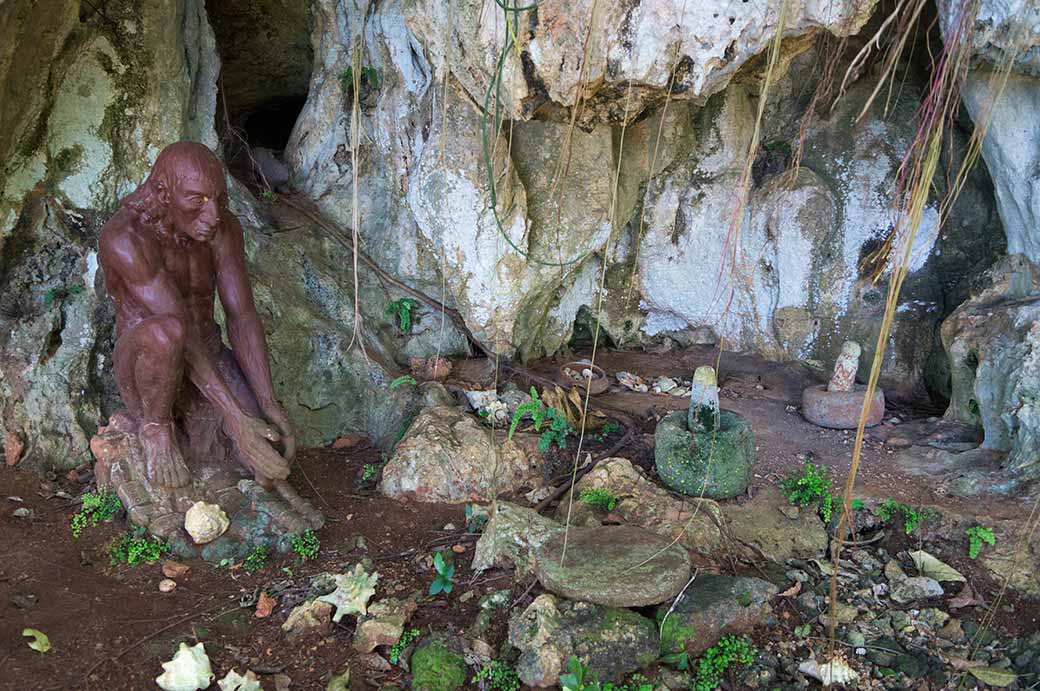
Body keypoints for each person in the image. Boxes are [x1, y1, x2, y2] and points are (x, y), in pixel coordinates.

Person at [99, 141, 295, 489]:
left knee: (268, 462)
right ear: (163, 194)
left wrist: (267, 402)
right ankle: (156, 428)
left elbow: (242, 315)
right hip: (150, 361)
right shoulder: (125, 238)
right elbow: (181, 332)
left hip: (209, 352)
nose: (213, 215)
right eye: (197, 200)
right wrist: (236, 419)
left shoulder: (221, 228)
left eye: (219, 199)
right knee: (168, 332)